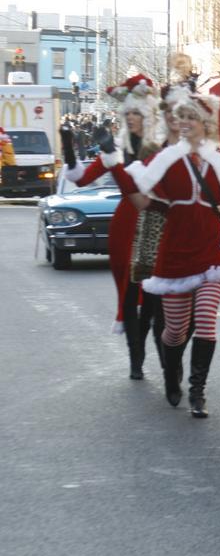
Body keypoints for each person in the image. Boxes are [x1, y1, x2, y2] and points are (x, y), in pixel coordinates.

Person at [124, 85, 220, 418]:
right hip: (175, 254)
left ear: (206, 124)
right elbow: (145, 202)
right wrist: (121, 174)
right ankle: (171, 373)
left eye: (195, 118)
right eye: (184, 118)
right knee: (175, 331)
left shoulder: (218, 161)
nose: (187, 123)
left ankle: (197, 391)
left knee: (206, 321)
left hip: (211, 252)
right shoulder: (165, 160)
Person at [61, 75, 163, 381]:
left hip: (156, 224)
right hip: (125, 226)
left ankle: (151, 348)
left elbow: (148, 189)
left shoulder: (160, 149)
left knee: (154, 296)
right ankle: (136, 355)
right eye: (128, 113)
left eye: (137, 113)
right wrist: (67, 145)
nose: (131, 118)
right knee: (130, 294)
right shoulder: (113, 148)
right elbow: (80, 178)